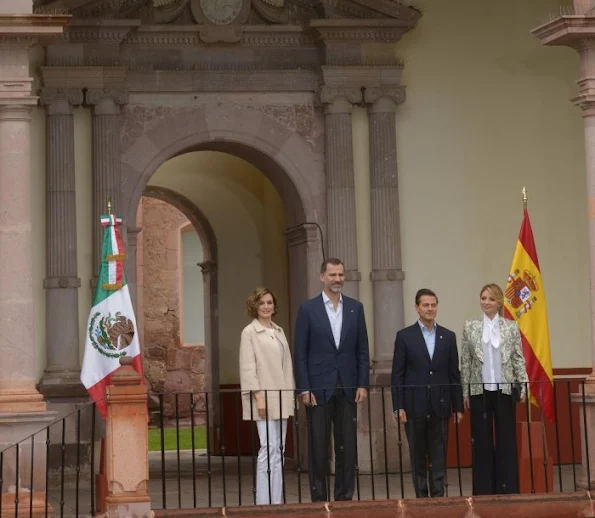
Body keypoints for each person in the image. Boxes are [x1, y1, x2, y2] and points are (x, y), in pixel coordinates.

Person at [293, 257, 370, 502]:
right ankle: (319, 501)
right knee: (317, 447)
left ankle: (344, 499)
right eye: (333, 275)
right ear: (322, 277)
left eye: (340, 275)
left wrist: (363, 384)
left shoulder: (355, 308)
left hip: (348, 387)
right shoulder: (308, 309)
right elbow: (300, 352)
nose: (337, 279)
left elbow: (362, 350)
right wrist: (304, 387)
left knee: (347, 448)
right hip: (318, 388)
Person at [391, 288, 464, 498]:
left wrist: (457, 406)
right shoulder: (405, 336)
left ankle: (438, 498)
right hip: (414, 406)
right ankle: (422, 498)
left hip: (440, 405)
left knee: (439, 455)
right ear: (417, 308)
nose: (430, 309)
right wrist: (398, 405)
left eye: (433, 305)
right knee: (418, 456)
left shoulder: (448, 337)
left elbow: (453, 374)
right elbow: (398, 374)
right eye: (425, 305)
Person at [461, 283, 528, 495]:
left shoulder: (510, 326)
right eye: (483, 298)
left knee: (506, 439)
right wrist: (465, 392)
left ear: (499, 302)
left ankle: (507, 488)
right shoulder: (470, 327)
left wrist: (523, 385)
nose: (486, 302)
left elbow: (518, 358)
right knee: (481, 441)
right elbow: (466, 363)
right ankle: (483, 490)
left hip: (504, 390)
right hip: (480, 391)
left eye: (491, 299)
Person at [239, 287, 295, 505]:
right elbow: (247, 367)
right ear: (255, 306)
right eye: (262, 303)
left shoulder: (279, 331)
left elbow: (287, 366)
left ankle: (276, 500)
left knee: (278, 450)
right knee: (267, 448)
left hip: (281, 397)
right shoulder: (249, 332)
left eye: (269, 302)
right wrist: (258, 397)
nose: (266, 307)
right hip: (263, 398)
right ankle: (263, 501)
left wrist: (289, 396)